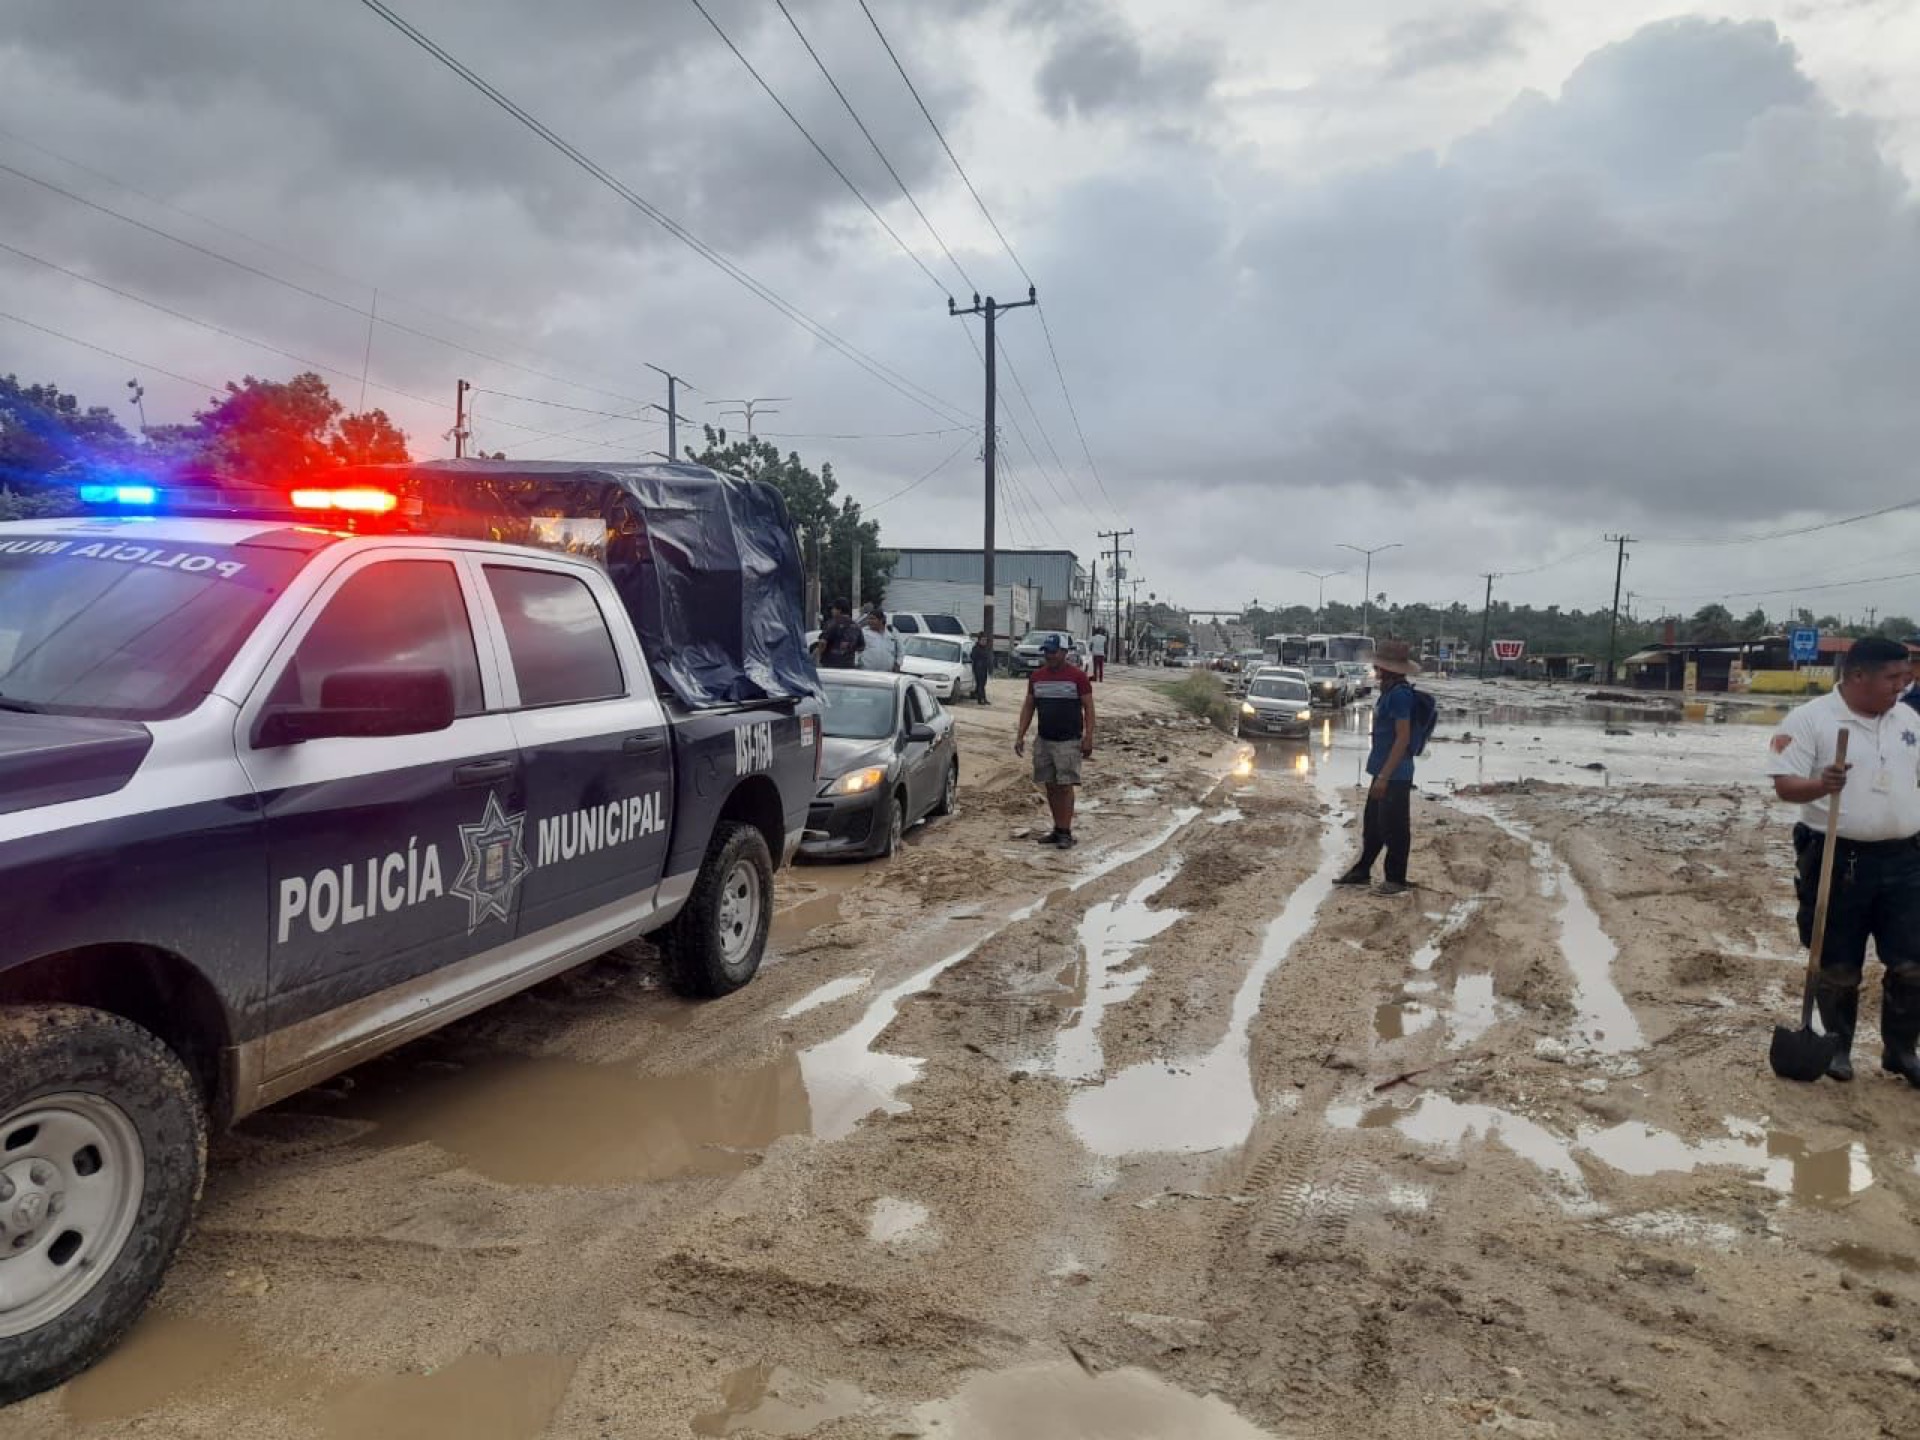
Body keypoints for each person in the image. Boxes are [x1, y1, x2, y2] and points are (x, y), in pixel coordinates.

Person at [1767, 635, 1920, 1085]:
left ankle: (1902, 1050)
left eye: (1905, 674)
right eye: (1893, 676)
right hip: (1838, 856)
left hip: (1906, 858)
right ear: (1857, 676)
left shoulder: (1908, 719)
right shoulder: (1810, 719)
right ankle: (1836, 1047)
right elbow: (1784, 786)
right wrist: (1820, 785)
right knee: (1836, 963)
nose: (1903, 683)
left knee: (1913, 961)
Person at [1336, 638, 1422, 896]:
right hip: (1382, 771)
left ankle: (1395, 879)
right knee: (1373, 824)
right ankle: (1362, 870)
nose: (1374, 670)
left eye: (1377, 666)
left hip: (1395, 774)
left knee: (1394, 827)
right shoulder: (1389, 693)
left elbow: (1403, 738)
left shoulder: (1400, 696)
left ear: (1387, 669)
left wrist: (1385, 776)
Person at [1014, 636, 1095, 850]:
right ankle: (1057, 829)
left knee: (1065, 786)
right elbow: (1029, 706)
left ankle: (1066, 831)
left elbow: (1089, 708)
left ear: (1064, 652)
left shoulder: (1078, 677)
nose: (1049, 655)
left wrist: (1089, 737)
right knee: (1050, 785)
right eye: (1046, 651)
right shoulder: (1037, 677)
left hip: (1068, 741)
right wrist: (1020, 735)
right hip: (1044, 740)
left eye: (1053, 651)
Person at [813, 600, 864, 670]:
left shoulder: (831, 623)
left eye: (833, 608)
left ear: (839, 610)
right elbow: (861, 647)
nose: (832, 611)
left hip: (830, 664)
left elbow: (822, 642)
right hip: (848, 665)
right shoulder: (856, 626)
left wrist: (817, 657)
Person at [969, 632, 992, 706]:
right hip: (978, 668)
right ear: (979, 640)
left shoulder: (985, 648)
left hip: (984, 668)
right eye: (983, 640)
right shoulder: (975, 648)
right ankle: (980, 700)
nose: (984, 641)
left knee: (983, 684)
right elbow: (972, 657)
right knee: (980, 684)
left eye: (985, 640)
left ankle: (984, 699)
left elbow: (987, 658)